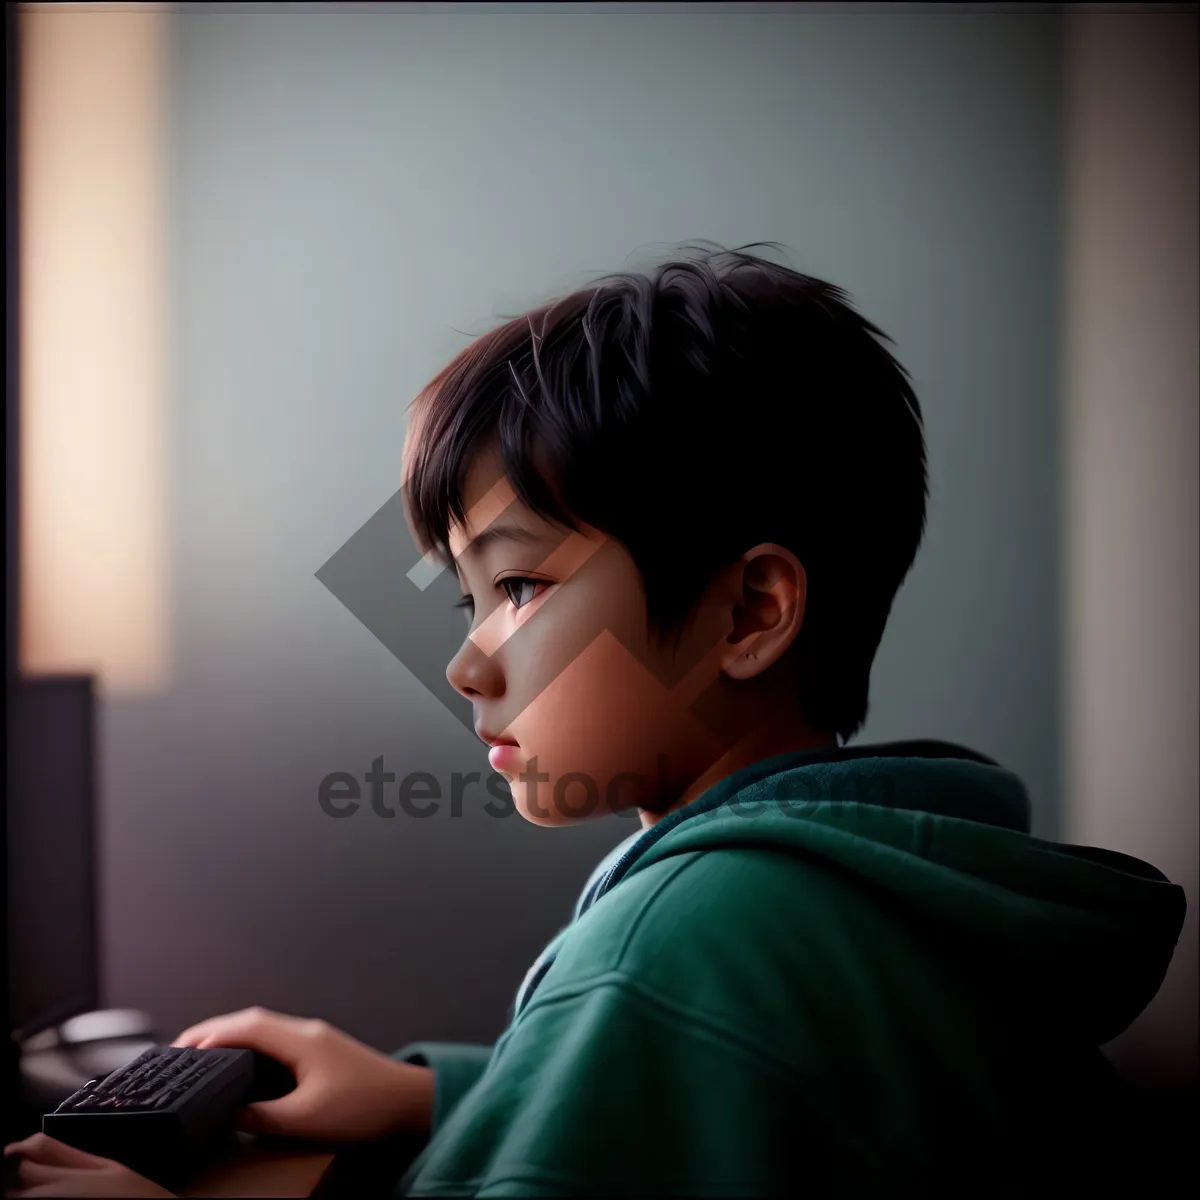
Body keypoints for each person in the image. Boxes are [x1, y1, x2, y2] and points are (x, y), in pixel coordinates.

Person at [5, 243, 1186, 1198]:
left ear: (749, 612)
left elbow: (670, 1031)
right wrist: (442, 1096)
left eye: (520, 588)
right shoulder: (874, 874)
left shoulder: (678, 940)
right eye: (470, 600)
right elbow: (761, 1101)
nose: (468, 663)